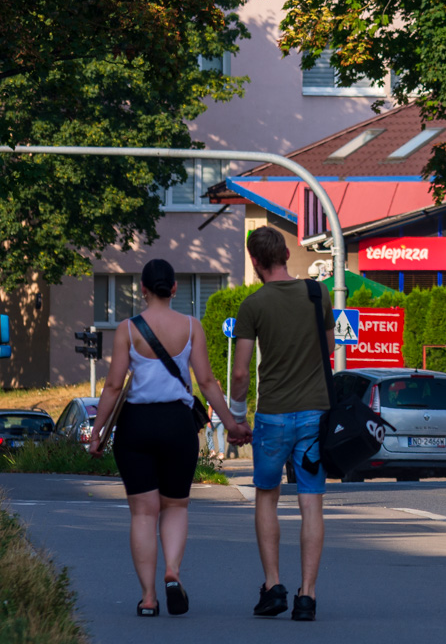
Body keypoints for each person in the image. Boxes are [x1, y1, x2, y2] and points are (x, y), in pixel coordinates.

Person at [87, 259, 249, 617]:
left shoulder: (128, 330)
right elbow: (207, 383)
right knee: (175, 505)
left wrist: (96, 432)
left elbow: (114, 386)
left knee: (143, 513)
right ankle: (172, 571)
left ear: (142, 289)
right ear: (174, 288)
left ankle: (147, 598)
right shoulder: (192, 327)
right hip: (178, 425)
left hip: (137, 426)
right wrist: (232, 425)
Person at [229, 225, 334, 622]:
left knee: (267, 497)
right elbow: (328, 347)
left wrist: (238, 419)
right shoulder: (317, 293)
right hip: (315, 415)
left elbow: (240, 374)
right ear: (287, 255)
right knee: (311, 503)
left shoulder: (253, 305)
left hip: (272, 417)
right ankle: (307, 596)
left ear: (255, 262)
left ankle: (273, 586)